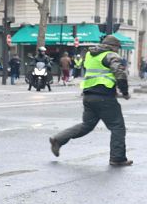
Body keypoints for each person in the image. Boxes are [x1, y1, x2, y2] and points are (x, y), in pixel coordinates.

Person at [49, 35, 132, 166]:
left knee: (86, 126)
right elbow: (120, 73)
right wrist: (125, 92)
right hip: (104, 97)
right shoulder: (111, 55)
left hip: (88, 96)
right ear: (113, 46)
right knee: (118, 127)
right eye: (117, 48)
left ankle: (58, 139)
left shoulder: (90, 55)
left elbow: (99, 74)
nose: (117, 51)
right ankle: (117, 158)